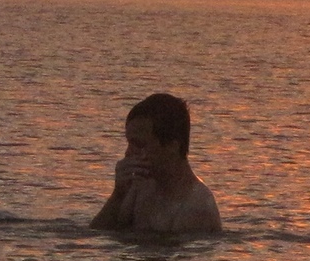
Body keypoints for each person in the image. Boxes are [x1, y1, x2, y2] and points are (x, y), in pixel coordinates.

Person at [91, 92, 222, 235]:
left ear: (172, 146)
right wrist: (118, 195)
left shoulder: (196, 207)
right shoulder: (141, 186)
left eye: (139, 145)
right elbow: (98, 234)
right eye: (129, 143)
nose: (128, 153)